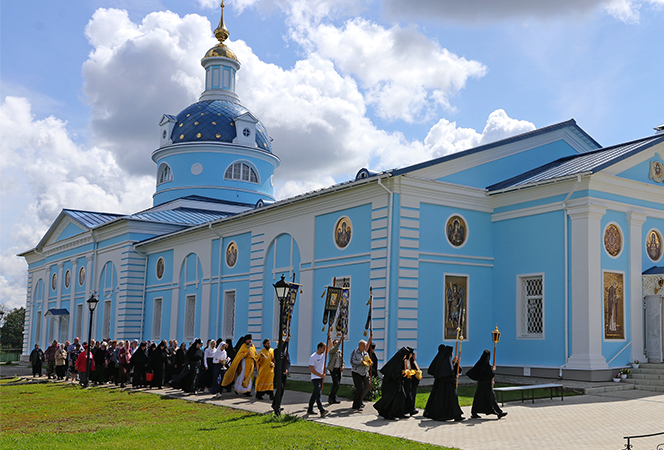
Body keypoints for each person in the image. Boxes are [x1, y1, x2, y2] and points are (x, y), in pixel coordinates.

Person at [423, 344, 464, 422]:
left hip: (444, 386)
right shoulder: (445, 362)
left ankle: (455, 415)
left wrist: (456, 363)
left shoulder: (445, 361)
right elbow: (450, 374)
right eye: (451, 353)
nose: (452, 354)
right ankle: (456, 415)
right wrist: (455, 376)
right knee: (452, 400)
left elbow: (452, 369)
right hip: (448, 387)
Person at [467, 349, 507, 419]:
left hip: (481, 385)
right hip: (487, 385)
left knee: (478, 398)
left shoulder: (480, 363)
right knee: (492, 398)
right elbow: (490, 374)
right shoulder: (487, 365)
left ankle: (474, 412)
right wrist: (493, 370)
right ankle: (499, 412)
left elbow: (474, 372)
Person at [373, 347, 410, 420]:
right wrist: (403, 374)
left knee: (401, 397)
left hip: (397, 384)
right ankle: (388, 413)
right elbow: (395, 375)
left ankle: (399, 413)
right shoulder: (397, 362)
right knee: (392, 399)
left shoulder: (400, 361)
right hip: (392, 385)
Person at [350, 333, 373, 411]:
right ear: (360, 345)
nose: (365, 347)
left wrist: (370, 363)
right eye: (364, 346)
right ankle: (356, 405)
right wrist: (360, 362)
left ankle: (360, 401)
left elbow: (368, 360)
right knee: (359, 388)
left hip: (364, 372)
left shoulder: (365, 353)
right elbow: (352, 362)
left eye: (366, 346)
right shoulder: (355, 352)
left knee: (367, 387)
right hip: (356, 372)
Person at [307, 342, 329, 417]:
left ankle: (310, 409)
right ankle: (321, 410)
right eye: (323, 348)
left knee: (315, 394)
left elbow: (331, 347)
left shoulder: (323, 355)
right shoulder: (313, 357)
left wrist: (329, 338)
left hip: (321, 377)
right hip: (315, 378)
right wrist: (320, 375)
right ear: (319, 348)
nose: (324, 350)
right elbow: (311, 369)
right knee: (318, 393)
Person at [271, 334, 291, 414]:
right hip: (278, 373)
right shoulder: (276, 351)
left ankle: (276, 404)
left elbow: (288, 362)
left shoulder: (286, 353)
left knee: (282, 390)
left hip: (284, 373)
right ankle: (276, 406)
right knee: (280, 389)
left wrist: (287, 369)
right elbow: (281, 350)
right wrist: (286, 342)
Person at [403, 350, 421, 416]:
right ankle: (410, 409)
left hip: (414, 381)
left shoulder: (413, 362)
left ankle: (411, 408)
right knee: (410, 396)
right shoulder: (407, 362)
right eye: (412, 355)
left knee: (412, 395)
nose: (414, 357)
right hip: (410, 381)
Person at [326, 337, 344, 404]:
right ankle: (331, 397)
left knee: (338, 384)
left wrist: (342, 366)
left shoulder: (340, 352)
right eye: (335, 343)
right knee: (336, 383)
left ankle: (334, 398)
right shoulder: (332, 351)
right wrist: (340, 340)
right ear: (333, 344)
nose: (337, 345)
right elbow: (336, 348)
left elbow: (342, 360)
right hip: (333, 369)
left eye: (337, 343)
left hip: (338, 369)